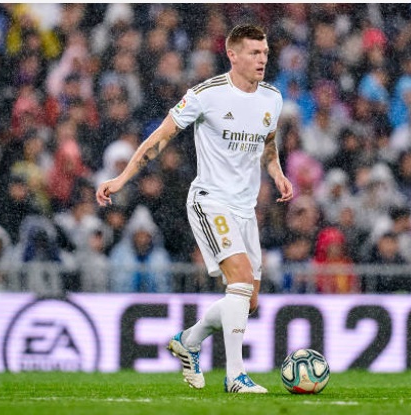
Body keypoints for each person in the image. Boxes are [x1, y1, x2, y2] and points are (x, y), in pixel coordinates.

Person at [96, 24, 293, 393]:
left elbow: (268, 143)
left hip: (245, 209)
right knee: (239, 281)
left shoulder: (272, 97)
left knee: (248, 301)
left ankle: (188, 340)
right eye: (254, 52)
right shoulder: (206, 95)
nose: (262, 59)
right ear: (232, 55)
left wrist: (277, 172)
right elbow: (161, 137)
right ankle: (235, 377)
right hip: (210, 200)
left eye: (265, 53)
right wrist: (122, 178)